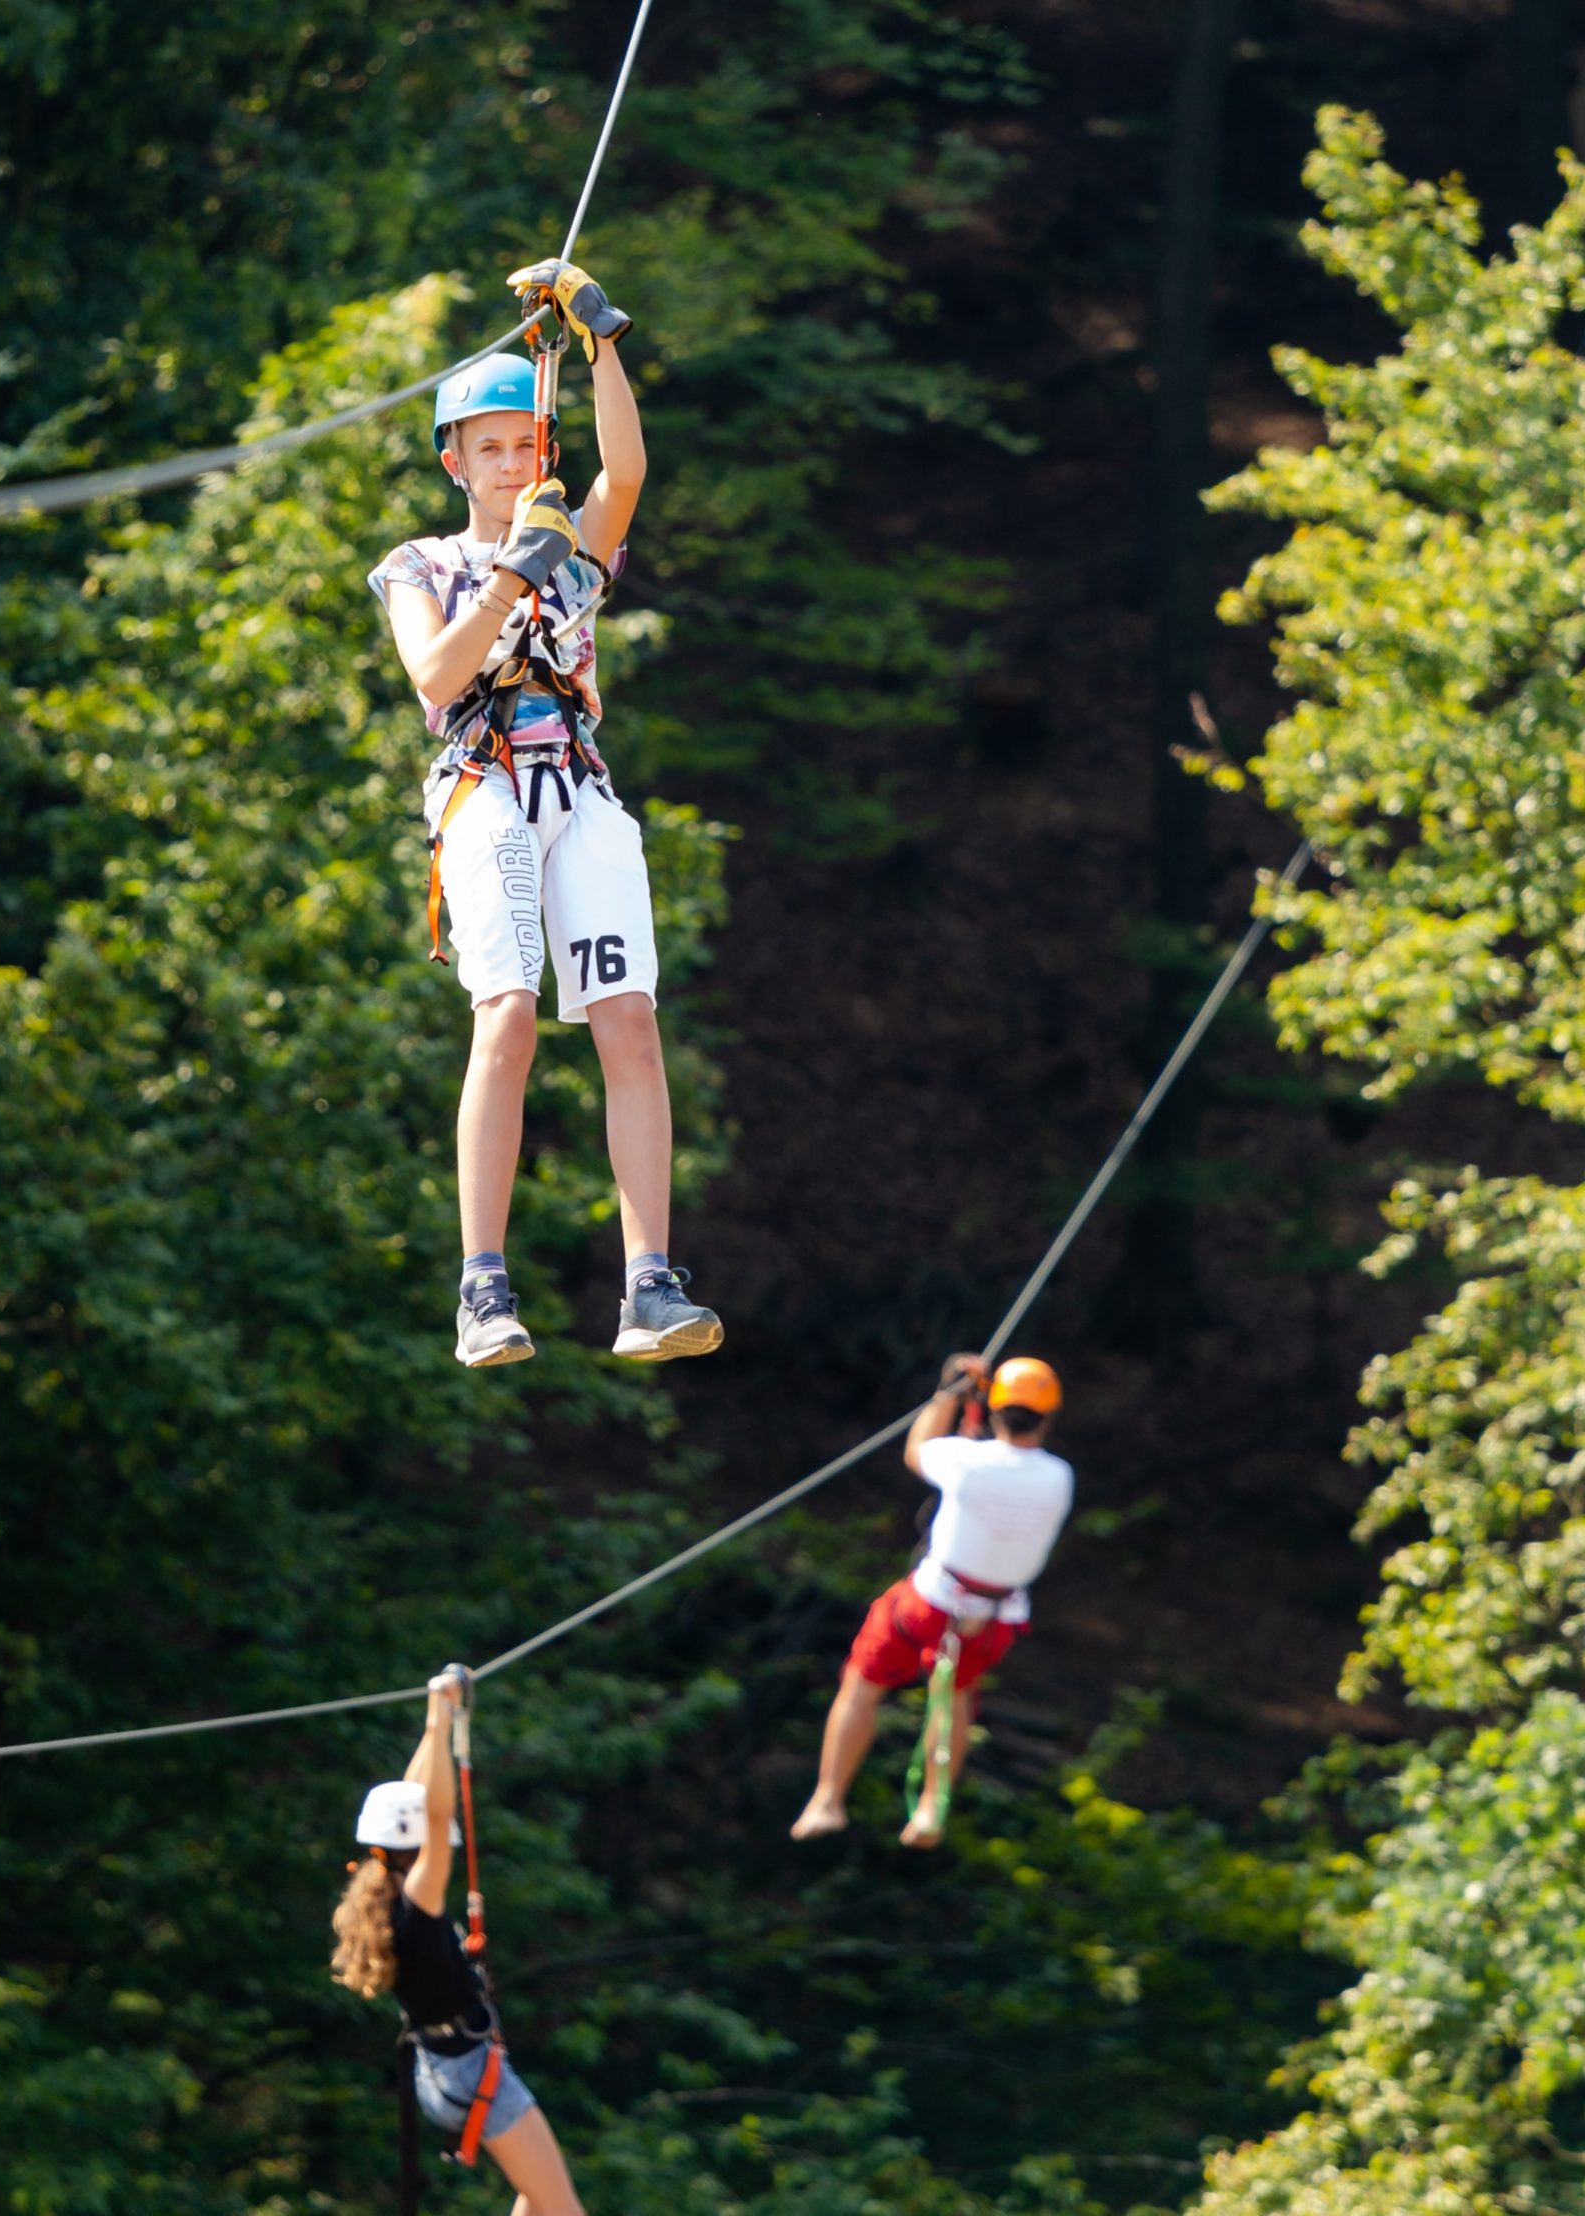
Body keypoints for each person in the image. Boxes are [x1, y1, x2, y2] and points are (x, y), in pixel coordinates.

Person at [368, 256, 721, 1373]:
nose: (510, 461)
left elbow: (629, 466)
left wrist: (598, 331)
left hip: (578, 784)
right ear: (454, 462)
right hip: (486, 790)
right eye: (489, 449)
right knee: (510, 1013)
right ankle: (482, 1285)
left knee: (627, 1019)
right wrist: (513, 579)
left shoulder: (576, 548)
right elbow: (435, 675)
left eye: (524, 446)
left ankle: (649, 1282)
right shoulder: (421, 563)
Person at [330, 1672, 615, 2216]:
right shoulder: (418, 1905)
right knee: (566, 2214)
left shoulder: (383, 1899)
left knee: (536, 2194)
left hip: (444, 2073)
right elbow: (439, 1809)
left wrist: (437, 1718)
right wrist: (439, 1721)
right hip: (467, 2071)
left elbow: (425, 1810)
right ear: (415, 1849)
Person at [791, 1355, 1074, 1849]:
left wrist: (948, 1395)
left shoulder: (964, 1461)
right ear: (1048, 1417)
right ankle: (929, 1810)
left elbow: (918, 1450)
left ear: (994, 1411)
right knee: (956, 1699)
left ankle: (828, 1801)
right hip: (994, 1618)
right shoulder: (1059, 1477)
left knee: (863, 1682)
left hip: (930, 1603)